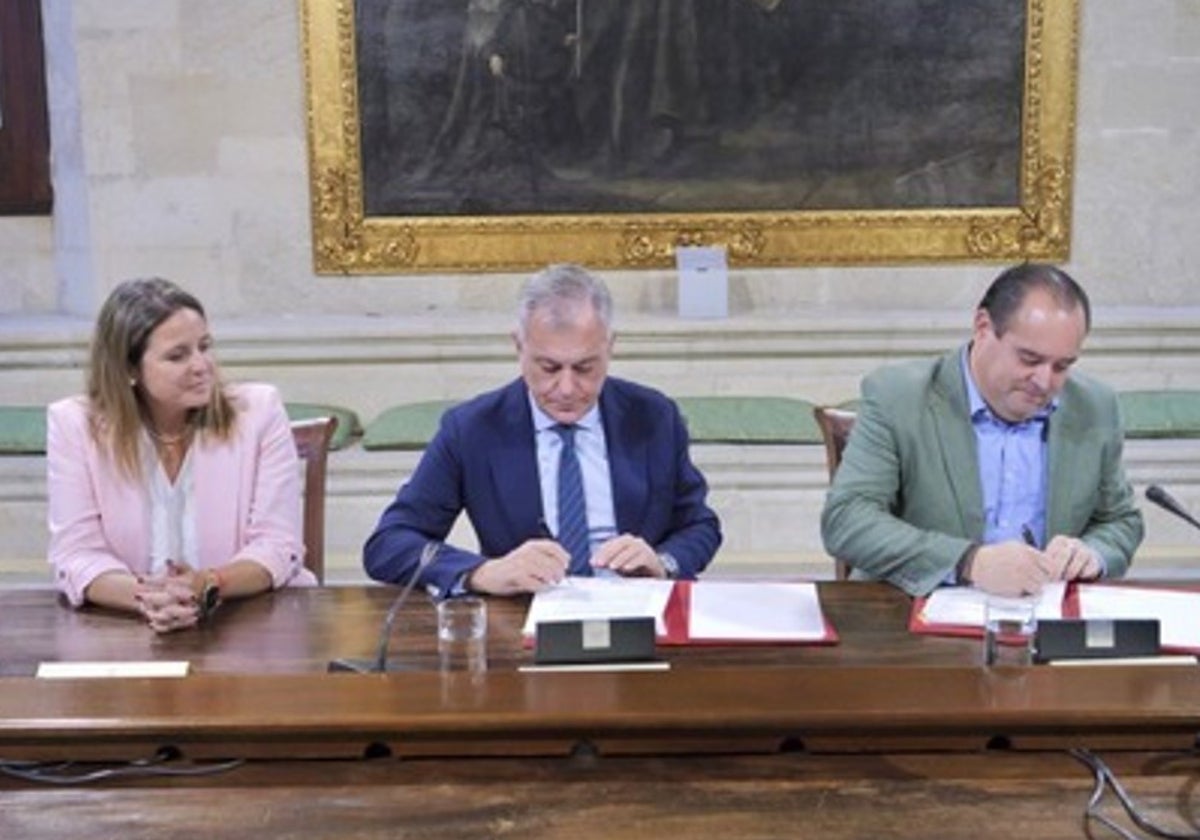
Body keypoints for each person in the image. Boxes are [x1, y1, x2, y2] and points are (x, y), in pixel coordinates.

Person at [364, 263, 722, 597]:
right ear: (519, 347)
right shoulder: (472, 428)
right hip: (522, 620)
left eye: (584, 368)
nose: (566, 388)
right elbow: (390, 543)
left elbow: (700, 526)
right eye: (549, 368)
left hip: (638, 613)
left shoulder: (654, 417)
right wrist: (482, 572)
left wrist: (663, 564)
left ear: (610, 348)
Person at [820, 263, 1143, 598]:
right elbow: (846, 521)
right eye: (1029, 359)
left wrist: (1091, 553)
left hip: (1043, 623)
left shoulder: (1095, 407)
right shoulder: (899, 396)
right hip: (914, 620)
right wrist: (969, 562)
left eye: (1062, 366)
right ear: (983, 327)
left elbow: (1119, 521)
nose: (1045, 381)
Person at [47, 278, 313, 633]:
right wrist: (148, 598)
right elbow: (76, 555)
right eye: (178, 355)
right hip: (125, 630)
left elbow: (278, 546)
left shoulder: (259, 412)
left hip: (249, 624)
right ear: (128, 369)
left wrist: (208, 584)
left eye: (204, 347)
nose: (202, 366)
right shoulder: (75, 425)